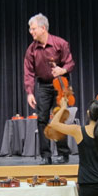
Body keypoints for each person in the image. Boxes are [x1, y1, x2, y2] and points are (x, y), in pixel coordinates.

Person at [24, 13, 75, 165]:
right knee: (42, 119)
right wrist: (29, 92)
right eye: (30, 29)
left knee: (59, 117)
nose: (30, 31)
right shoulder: (31, 50)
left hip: (60, 83)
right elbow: (28, 72)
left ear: (43, 28)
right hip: (44, 85)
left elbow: (70, 63)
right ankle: (45, 155)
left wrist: (62, 70)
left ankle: (63, 153)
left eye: (33, 29)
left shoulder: (60, 43)